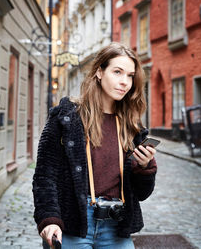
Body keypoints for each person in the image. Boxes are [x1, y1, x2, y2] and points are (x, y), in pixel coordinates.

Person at [32, 42, 157, 249]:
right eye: (117, 72)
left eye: (130, 75)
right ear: (99, 72)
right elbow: (45, 176)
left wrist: (144, 168)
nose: (124, 82)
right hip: (74, 224)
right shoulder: (66, 118)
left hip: (116, 226)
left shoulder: (132, 127)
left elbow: (142, 194)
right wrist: (50, 219)